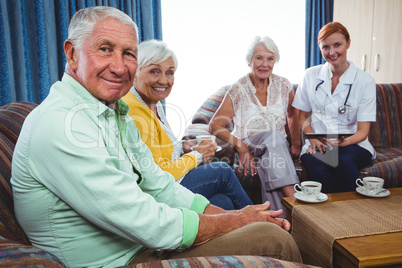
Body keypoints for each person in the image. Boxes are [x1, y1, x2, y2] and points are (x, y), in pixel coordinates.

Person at [11, 7, 302, 267]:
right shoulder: (63, 123)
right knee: (273, 239)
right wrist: (236, 220)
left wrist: (236, 219)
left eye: (128, 53)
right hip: (121, 258)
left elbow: (160, 186)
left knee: (260, 226)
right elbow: (145, 220)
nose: (119, 66)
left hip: (140, 244)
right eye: (104, 49)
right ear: (72, 54)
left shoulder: (114, 113)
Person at [122, 40, 253, 210]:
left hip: (168, 183)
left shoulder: (152, 103)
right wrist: (196, 155)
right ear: (135, 72)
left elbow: (158, 150)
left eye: (169, 73)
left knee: (224, 201)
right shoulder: (134, 109)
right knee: (223, 171)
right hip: (158, 193)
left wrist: (185, 146)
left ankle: (247, 230)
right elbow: (159, 174)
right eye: (154, 72)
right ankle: (264, 221)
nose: (163, 80)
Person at [209, 36, 301, 214]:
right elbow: (214, 125)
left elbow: (292, 115)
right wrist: (241, 146)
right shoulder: (239, 88)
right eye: (259, 58)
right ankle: (294, 197)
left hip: (276, 148)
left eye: (270, 58)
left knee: (270, 160)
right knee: (274, 137)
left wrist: (296, 143)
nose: (264, 64)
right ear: (249, 60)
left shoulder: (284, 85)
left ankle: (279, 221)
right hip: (250, 143)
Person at [292, 22, 376, 193]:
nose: (332, 52)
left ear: (348, 43)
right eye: (325, 47)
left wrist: (342, 142)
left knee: (342, 160)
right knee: (317, 168)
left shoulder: (365, 81)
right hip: (318, 143)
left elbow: (362, 131)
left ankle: (351, 213)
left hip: (353, 144)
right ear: (320, 49)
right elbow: (302, 117)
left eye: (337, 45)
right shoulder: (310, 75)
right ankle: (327, 217)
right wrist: (313, 139)